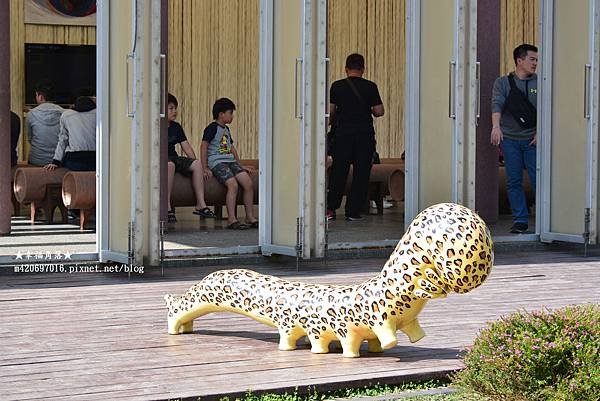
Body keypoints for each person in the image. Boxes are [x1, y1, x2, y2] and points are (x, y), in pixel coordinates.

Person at [326, 53, 384, 221]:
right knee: (361, 173)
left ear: (346, 69)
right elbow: (379, 111)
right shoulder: (370, 87)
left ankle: (331, 209)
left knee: (339, 171)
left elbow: (331, 112)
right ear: (363, 69)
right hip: (364, 136)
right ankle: (353, 211)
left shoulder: (336, 86)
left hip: (343, 135)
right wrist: (370, 109)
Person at [491, 44, 538, 234]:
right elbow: (497, 104)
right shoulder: (502, 83)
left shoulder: (540, 82)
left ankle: (546, 220)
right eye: (532, 59)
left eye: (537, 60)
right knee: (513, 180)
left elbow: (548, 108)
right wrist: (496, 127)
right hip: (509, 139)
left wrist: (541, 133)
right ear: (520, 61)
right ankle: (520, 221)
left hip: (533, 140)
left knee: (539, 179)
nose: (535, 63)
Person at [201, 98, 258, 230]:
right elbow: (204, 146)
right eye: (230, 113)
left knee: (248, 183)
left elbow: (231, 148)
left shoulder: (226, 129)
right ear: (221, 114)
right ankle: (232, 219)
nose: (232, 116)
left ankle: (250, 217)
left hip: (230, 161)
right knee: (232, 185)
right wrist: (205, 167)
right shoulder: (212, 128)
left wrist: (240, 165)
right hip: (217, 162)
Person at [165, 94, 216, 223]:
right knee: (170, 166)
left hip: (173, 157)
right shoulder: (155, 126)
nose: (174, 111)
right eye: (170, 108)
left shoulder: (176, 127)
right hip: (161, 159)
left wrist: (194, 162)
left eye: (175, 108)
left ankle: (201, 204)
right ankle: (166, 207)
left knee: (197, 163)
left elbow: (186, 146)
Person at [45, 96, 97, 172]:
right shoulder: (100, 114)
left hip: (74, 160)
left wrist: (56, 161)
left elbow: (63, 140)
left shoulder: (67, 115)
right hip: (95, 159)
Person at [26, 81, 64, 166]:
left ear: (40, 97)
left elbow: (30, 138)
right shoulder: (64, 114)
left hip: (36, 160)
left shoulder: (31, 115)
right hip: (58, 161)